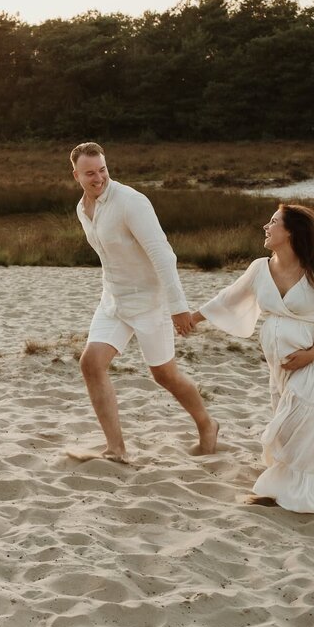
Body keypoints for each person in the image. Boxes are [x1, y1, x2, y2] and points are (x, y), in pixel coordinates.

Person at [191, 204, 314, 516]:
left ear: (292, 232)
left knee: (301, 420)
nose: (266, 227)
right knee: (289, 428)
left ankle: (296, 491)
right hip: (279, 366)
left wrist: (311, 353)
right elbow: (230, 297)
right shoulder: (260, 268)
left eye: (273, 222)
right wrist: (193, 318)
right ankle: (288, 485)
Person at [68, 142, 218, 464]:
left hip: (151, 303)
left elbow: (163, 255)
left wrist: (178, 307)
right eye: (90, 173)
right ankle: (116, 449)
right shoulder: (83, 209)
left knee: (165, 375)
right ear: (76, 174)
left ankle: (207, 425)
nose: (99, 178)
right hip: (113, 300)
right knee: (90, 363)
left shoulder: (131, 202)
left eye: (103, 170)